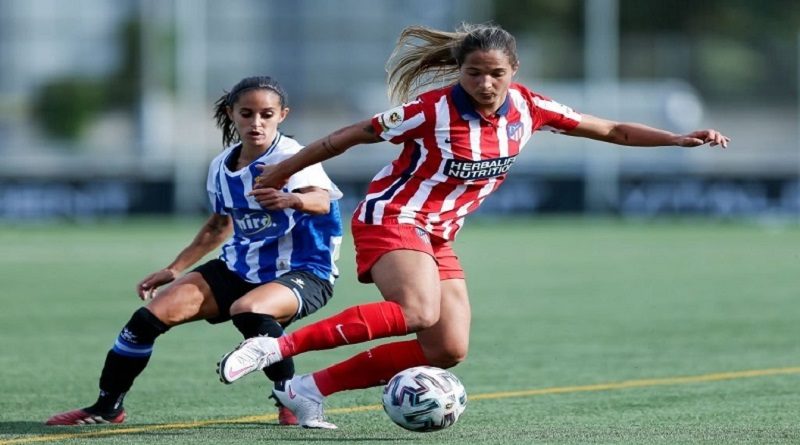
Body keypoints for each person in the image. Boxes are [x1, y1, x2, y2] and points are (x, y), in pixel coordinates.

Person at [216, 24, 730, 429]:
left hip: (439, 233)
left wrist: (678, 140)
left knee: (447, 349)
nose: (485, 84)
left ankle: (307, 390)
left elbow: (612, 129)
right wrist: (281, 170)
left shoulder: (531, 107)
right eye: (474, 74)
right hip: (393, 216)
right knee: (417, 311)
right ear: (457, 71)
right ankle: (276, 347)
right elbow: (348, 136)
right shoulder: (428, 109)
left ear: (514, 71)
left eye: (495, 74)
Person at [46, 76, 343, 426]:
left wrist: (290, 199)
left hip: (304, 271)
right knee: (145, 321)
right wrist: (175, 269)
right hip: (238, 269)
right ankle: (107, 408)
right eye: (247, 114)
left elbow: (321, 202)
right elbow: (219, 226)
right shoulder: (221, 166)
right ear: (232, 114)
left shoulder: (294, 157)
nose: (256, 123)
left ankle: (291, 397)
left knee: (250, 312)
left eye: (266, 114)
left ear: (283, 115)